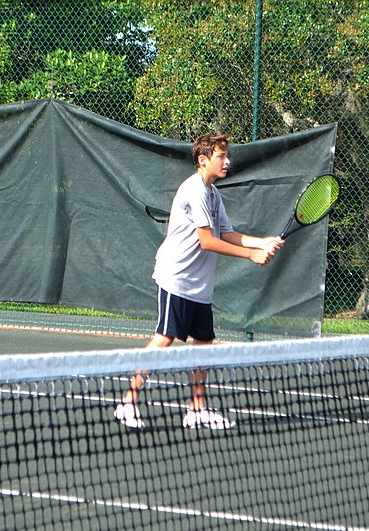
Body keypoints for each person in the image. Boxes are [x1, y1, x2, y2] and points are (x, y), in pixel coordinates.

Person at [114, 133, 284, 430]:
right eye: (221, 156)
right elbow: (207, 241)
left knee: (203, 342)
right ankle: (127, 402)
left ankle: (196, 409)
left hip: (198, 284)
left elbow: (227, 233)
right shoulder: (194, 191)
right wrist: (250, 256)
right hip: (177, 277)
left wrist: (261, 243)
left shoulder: (213, 195)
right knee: (164, 337)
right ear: (203, 160)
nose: (227, 161)